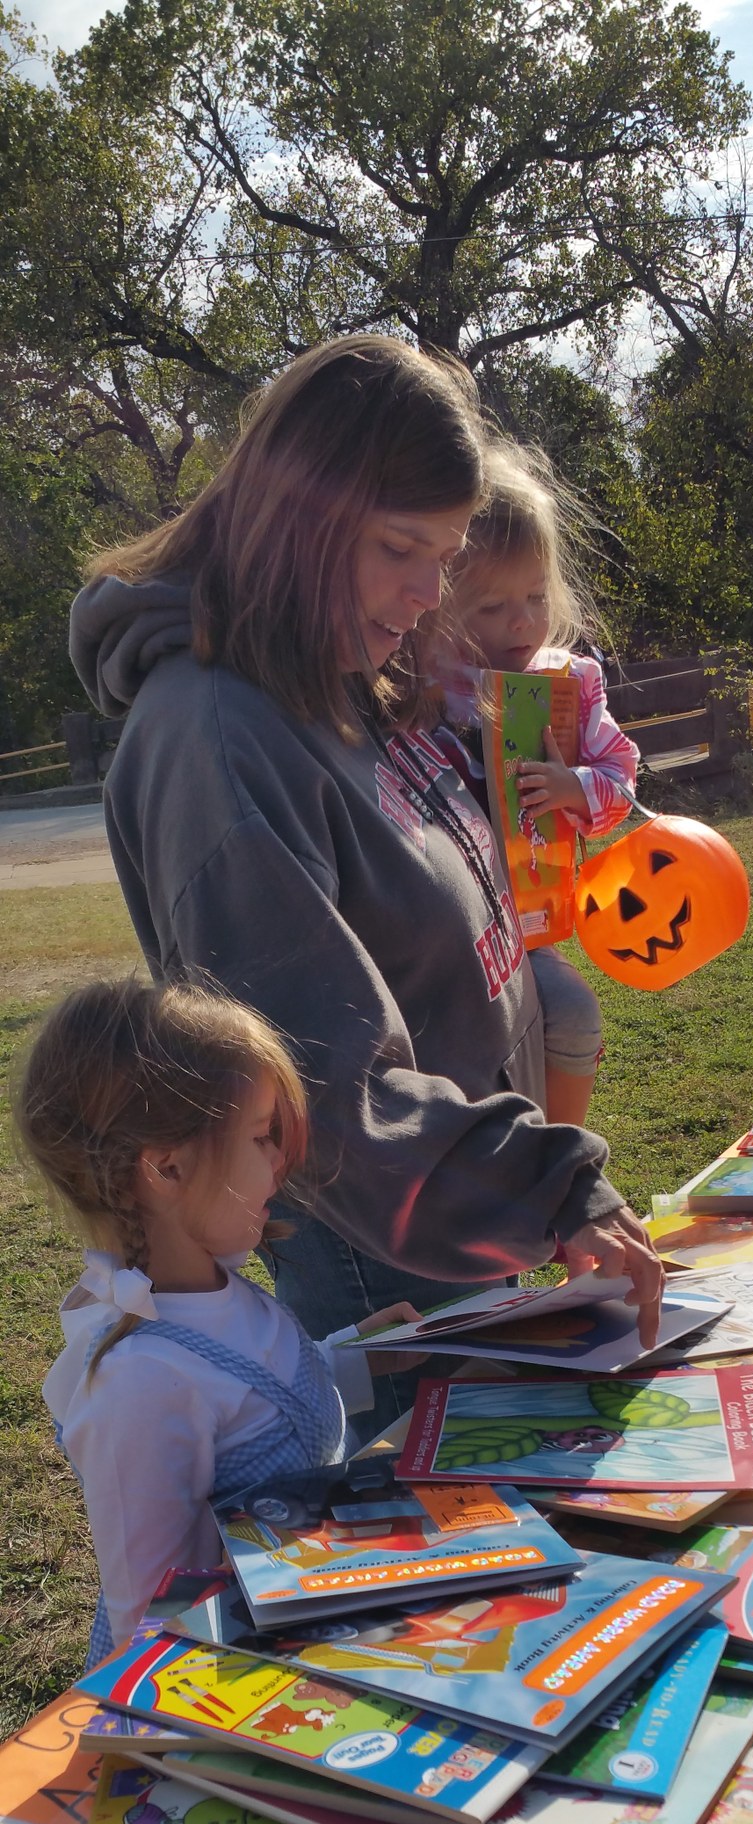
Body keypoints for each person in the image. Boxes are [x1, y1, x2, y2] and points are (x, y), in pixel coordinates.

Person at [67, 336, 663, 1384]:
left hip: (460, 1224)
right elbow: (320, 1079)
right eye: (401, 548)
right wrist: (551, 1184)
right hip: (382, 1260)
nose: (428, 594)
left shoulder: (336, 671)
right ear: (301, 516)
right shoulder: (214, 737)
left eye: (445, 555)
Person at [16, 978, 419, 1661]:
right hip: (235, 1677)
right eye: (262, 1138)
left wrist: (357, 1354)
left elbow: (267, 1392)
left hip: (319, 1614)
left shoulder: (220, 1288)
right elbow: (153, 1616)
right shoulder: (141, 1384)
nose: (280, 1163)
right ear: (167, 1168)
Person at [433, 441, 640, 1127]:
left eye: (535, 597)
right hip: (446, 932)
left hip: (528, 926)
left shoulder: (569, 688)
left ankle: (565, 1161)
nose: (521, 622)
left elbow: (621, 779)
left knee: (574, 1016)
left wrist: (572, 785)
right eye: (491, 608)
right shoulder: (424, 692)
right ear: (441, 605)